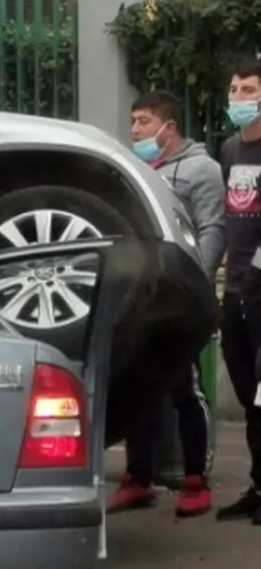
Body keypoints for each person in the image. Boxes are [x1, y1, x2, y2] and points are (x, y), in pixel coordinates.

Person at [107, 90, 225, 517]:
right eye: (134, 121)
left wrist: (194, 283)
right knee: (138, 385)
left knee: (185, 388)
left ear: (168, 128)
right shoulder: (134, 169)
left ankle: (196, 481)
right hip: (141, 299)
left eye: (142, 121)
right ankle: (138, 478)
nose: (134, 129)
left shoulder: (203, 170)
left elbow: (213, 229)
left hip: (180, 301)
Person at [216, 58, 261, 524]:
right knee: (249, 394)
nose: (240, 99)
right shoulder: (230, 150)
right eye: (235, 90)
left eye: (249, 90)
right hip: (235, 291)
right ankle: (257, 484)